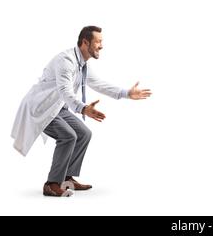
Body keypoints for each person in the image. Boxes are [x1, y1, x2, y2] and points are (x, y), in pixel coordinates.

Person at [11, 26, 152, 197]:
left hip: (58, 107)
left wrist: (126, 93)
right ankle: (51, 183)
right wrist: (84, 108)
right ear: (85, 42)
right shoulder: (66, 61)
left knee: (84, 133)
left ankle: (66, 178)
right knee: (68, 136)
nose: (101, 46)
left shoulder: (82, 65)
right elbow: (65, 91)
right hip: (41, 108)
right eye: (98, 42)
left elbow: (99, 84)